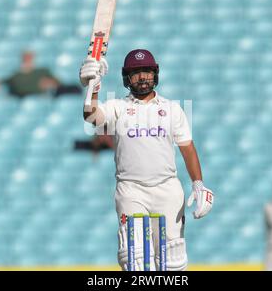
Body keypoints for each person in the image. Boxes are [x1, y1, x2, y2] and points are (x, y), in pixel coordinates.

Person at [80, 49, 214, 271]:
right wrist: (92, 88)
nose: (142, 77)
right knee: (136, 260)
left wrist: (198, 184)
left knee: (173, 261)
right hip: (131, 190)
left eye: (147, 72)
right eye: (136, 73)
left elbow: (187, 147)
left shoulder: (172, 109)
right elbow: (92, 116)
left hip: (167, 189)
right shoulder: (118, 107)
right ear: (127, 78)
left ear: (155, 74)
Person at [0, 51, 81, 97]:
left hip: (43, 97)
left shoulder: (42, 71)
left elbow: (58, 83)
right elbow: (1, 82)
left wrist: (49, 84)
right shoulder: (16, 75)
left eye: (29, 58)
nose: (27, 60)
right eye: (25, 58)